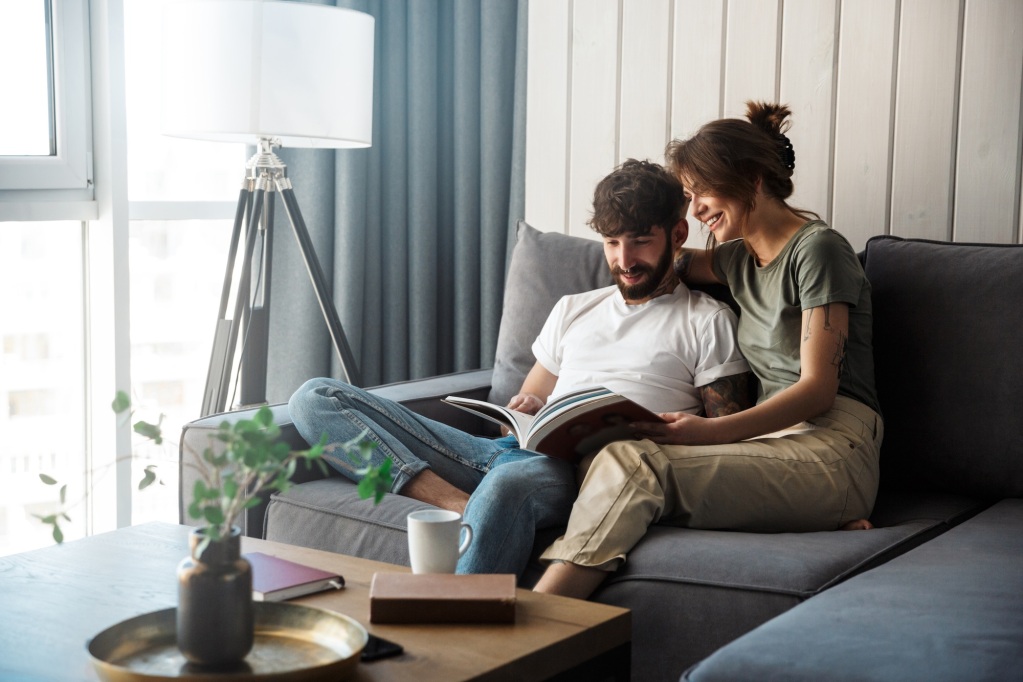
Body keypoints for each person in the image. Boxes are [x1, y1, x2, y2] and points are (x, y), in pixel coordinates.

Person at [287, 159, 751, 577]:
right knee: (315, 398)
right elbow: (530, 401)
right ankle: (461, 504)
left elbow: (727, 437)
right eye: (611, 243)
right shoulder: (575, 308)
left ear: (677, 234)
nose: (624, 261)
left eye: (640, 242)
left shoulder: (706, 321)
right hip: (509, 450)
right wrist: (529, 404)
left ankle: (457, 625)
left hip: (582, 473)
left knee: (509, 483)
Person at [533, 102, 883, 599]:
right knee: (612, 455)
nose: (694, 211)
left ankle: (546, 613)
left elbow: (817, 391)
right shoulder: (738, 259)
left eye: (701, 193)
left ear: (752, 179)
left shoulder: (818, 250)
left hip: (833, 446)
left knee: (637, 464)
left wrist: (709, 432)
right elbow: (659, 261)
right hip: (775, 448)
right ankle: (810, 521)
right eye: (690, 197)